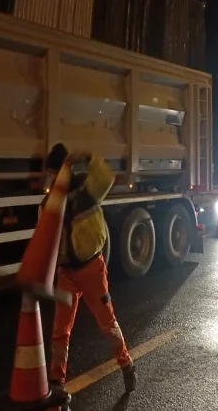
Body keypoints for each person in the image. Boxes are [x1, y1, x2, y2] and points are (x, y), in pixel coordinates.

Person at [41, 143, 136, 396]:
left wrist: (88, 155)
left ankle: (126, 364)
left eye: (53, 172)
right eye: (50, 174)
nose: (50, 179)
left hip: (92, 269)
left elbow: (107, 176)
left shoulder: (87, 190)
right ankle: (56, 383)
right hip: (67, 275)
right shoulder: (49, 202)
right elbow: (46, 239)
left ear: (65, 171)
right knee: (60, 331)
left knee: (107, 323)